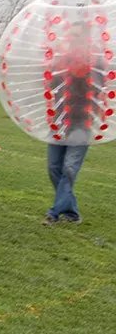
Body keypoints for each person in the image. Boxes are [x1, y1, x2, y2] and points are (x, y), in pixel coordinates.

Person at [42, 20, 106, 225]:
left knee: (69, 168)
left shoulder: (95, 63)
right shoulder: (61, 61)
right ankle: (72, 212)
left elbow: (97, 89)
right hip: (59, 122)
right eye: (71, 35)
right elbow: (51, 85)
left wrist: (81, 71)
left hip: (81, 123)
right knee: (54, 168)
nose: (72, 40)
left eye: (77, 36)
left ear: (86, 39)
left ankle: (53, 214)